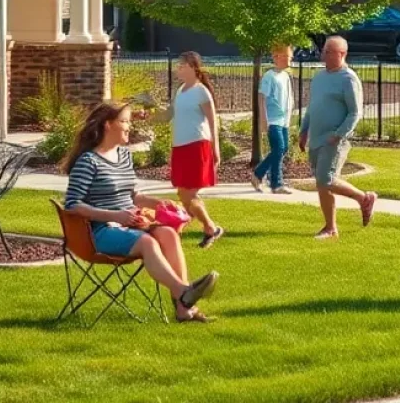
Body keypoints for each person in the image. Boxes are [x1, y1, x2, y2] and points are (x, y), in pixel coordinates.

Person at [62, 101, 219, 323]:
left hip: (130, 225)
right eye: (125, 121)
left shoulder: (124, 156)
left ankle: (184, 308)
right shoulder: (88, 162)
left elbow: (133, 196)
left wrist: (160, 203)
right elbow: (72, 204)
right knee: (148, 243)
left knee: (168, 234)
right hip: (99, 232)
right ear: (108, 125)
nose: (129, 127)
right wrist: (114, 216)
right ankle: (184, 292)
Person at [298, 35, 378, 239]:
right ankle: (330, 228)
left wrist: (339, 134)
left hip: (334, 140)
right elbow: (311, 107)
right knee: (322, 184)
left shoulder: (348, 78)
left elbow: (355, 112)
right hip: (316, 137)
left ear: (342, 54)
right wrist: (303, 130)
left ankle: (363, 198)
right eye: (324, 50)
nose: (323, 54)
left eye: (328, 51)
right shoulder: (319, 77)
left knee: (326, 179)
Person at [167, 52, 224, 248]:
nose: (178, 69)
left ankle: (207, 227)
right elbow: (173, 117)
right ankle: (208, 228)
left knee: (188, 194)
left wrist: (215, 148)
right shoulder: (181, 90)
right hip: (180, 147)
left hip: (197, 146)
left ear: (193, 67)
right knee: (183, 194)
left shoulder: (201, 91)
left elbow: (212, 120)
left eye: (182, 66)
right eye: (178, 66)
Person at [252, 44, 295, 195]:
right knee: (278, 149)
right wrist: (264, 120)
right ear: (277, 57)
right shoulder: (269, 76)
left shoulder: (285, 76)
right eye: (288, 56)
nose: (291, 59)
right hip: (273, 119)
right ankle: (276, 184)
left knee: (283, 149)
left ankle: (258, 174)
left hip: (283, 120)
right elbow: (261, 97)